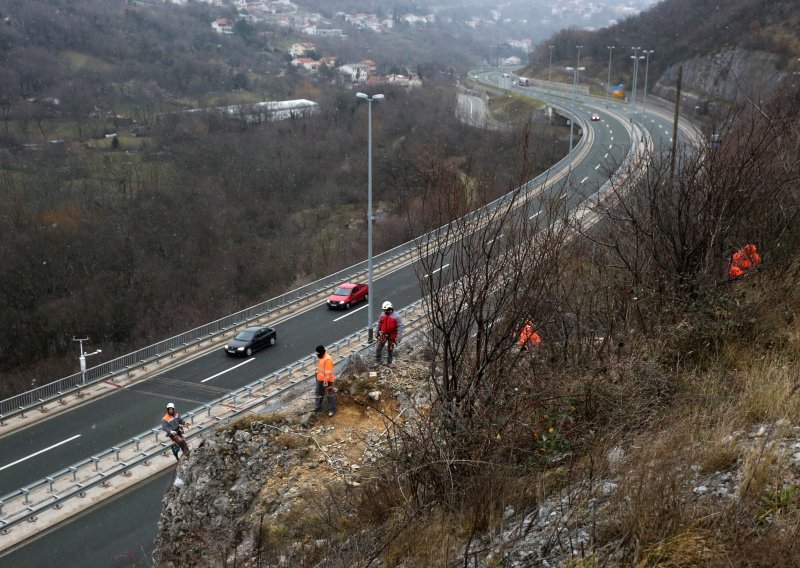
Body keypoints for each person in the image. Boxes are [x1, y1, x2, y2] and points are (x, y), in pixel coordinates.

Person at [374, 301, 404, 366]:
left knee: (390, 349)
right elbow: (379, 324)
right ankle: (378, 361)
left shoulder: (397, 317)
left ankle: (389, 363)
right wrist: (377, 332)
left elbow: (400, 327)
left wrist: (399, 337)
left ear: (389, 309)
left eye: (385, 310)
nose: (384, 311)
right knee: (378, 347)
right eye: (383, 310)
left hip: (392, 335)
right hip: (383, 334)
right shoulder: (382, 315)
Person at [314, 345, 336, 416]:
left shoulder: (327, 359)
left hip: (328, 381)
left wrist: (325, 381)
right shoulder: (321, 357)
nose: (317, 355)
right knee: (318, 394)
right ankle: (318, 409)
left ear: (321, 352)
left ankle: (332, 410)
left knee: (330, 395)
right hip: (320, 379)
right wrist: (317, 376)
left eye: (318, 354)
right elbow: (320, 369)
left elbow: (328, 372)